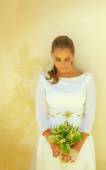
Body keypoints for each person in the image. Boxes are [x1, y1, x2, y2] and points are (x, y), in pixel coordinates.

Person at [35, 35, 96, 170]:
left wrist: (76, 148)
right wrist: (53, 143)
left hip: (80, 139)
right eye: (58, 59)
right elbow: (40, 113)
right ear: (52, 56)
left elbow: (90, 113)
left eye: (67, 59)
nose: (62, 64)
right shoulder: (44, 79)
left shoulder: (87, 79)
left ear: (73, 56)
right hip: (50, 141)